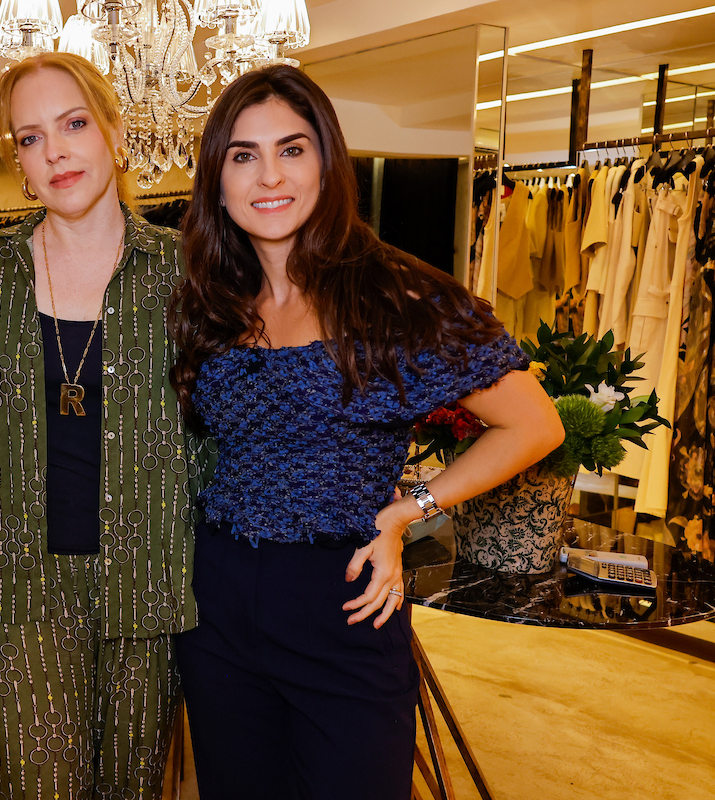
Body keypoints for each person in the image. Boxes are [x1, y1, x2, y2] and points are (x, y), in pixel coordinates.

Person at [168, 65, 565, 800]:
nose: (268, 176)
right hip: (217, 600)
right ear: (218, 180)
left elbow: (534, 424)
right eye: (243, 155)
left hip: (342, 597)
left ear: (326, 162)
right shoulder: (211, 300)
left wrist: (409, 510)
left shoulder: (392, 293)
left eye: (291, 149)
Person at [0, 52, 209, 800]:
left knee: (133, 788)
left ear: (115, 134)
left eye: (73, 124)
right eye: (29, 138)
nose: (55, 151)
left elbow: (227, 422)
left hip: (150, 578)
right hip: (21, 584)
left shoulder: (185, 272)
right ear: (19, 164)